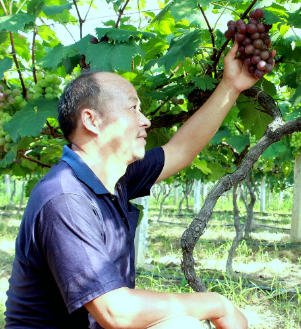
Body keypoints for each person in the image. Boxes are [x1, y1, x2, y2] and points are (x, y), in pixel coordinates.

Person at [5, 43, 254, 328]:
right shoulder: (64, 198)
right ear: (92, 120)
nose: (146, 120)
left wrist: (231, 86)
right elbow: (116, 312)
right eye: (133, 108)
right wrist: (217, 304)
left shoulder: (115, 177)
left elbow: (181, 150)